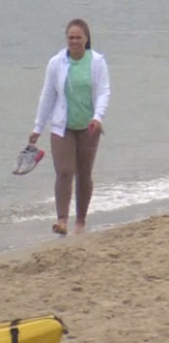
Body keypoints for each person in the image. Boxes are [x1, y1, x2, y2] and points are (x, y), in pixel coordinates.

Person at [29, 18, 110, 236]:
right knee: (64, 171)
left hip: (89, 127)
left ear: (86, 39)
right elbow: (47, 95)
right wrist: (38, 127)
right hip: (61, 127)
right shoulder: (56, 63)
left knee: (84, 174)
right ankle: (62, 220)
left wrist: (98, 117)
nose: (74, 41)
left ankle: (80, 222)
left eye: (78, 37)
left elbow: (103, 92)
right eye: (71, 37)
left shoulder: (97, 62)